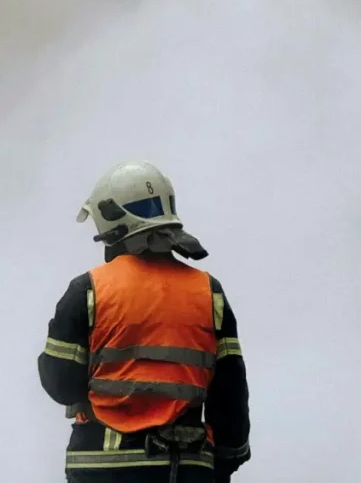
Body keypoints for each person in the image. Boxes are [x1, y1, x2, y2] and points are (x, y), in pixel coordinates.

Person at [38, 160, 252, 483]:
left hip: (103, 470)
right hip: (187, 469)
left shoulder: (88, 290)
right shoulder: (209, 293)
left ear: (114, 223)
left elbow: (60, 384)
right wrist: (224, 460)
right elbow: (230, 396)